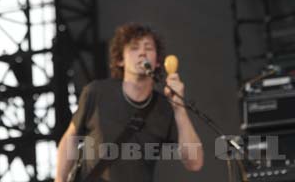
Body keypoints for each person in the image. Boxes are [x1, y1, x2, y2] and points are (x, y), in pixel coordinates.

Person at [55, 23, 204, 182]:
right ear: (120, 60)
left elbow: (194, 163)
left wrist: (179, 109)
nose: (142, 53)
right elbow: (70, 138)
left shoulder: (164, 108)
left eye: (148, 48)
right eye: (134, 48)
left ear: (158, 62)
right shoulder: (96, 93)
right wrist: (59, 179)